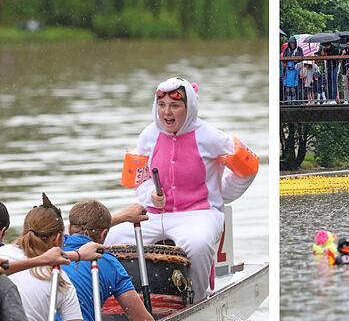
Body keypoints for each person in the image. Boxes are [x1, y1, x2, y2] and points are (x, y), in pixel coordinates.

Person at [106, 77, 257, 302]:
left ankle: (196, 300)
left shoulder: (211, 136)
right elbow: (141, 178)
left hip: (199, 213)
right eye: (162, 105)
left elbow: (247, 169)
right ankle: (118, 300)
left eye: (175, 106)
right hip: (154, 214)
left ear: (189, 107)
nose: (167, 112)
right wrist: (150, 195)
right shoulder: (149, 135)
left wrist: (220, 195)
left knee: (197, 244)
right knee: (113, 237)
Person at [52, 200, 167, 321]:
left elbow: (89, 227)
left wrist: (123, 217)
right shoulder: (108, 263)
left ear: (69, 229)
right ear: (104, 234)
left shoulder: (51, 250)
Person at [281, 36, 303, 105]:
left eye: (293, 43)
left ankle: (296, 101)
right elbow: (284, 58)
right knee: (288, 88)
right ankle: (288, 101)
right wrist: (289, 58)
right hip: (288, 69)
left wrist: (296, 59)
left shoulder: (299, 49)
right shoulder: (287, 49)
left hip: (296, 70)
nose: (292, 45)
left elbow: (302, 58)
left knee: (295, 87)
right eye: (290, 43)